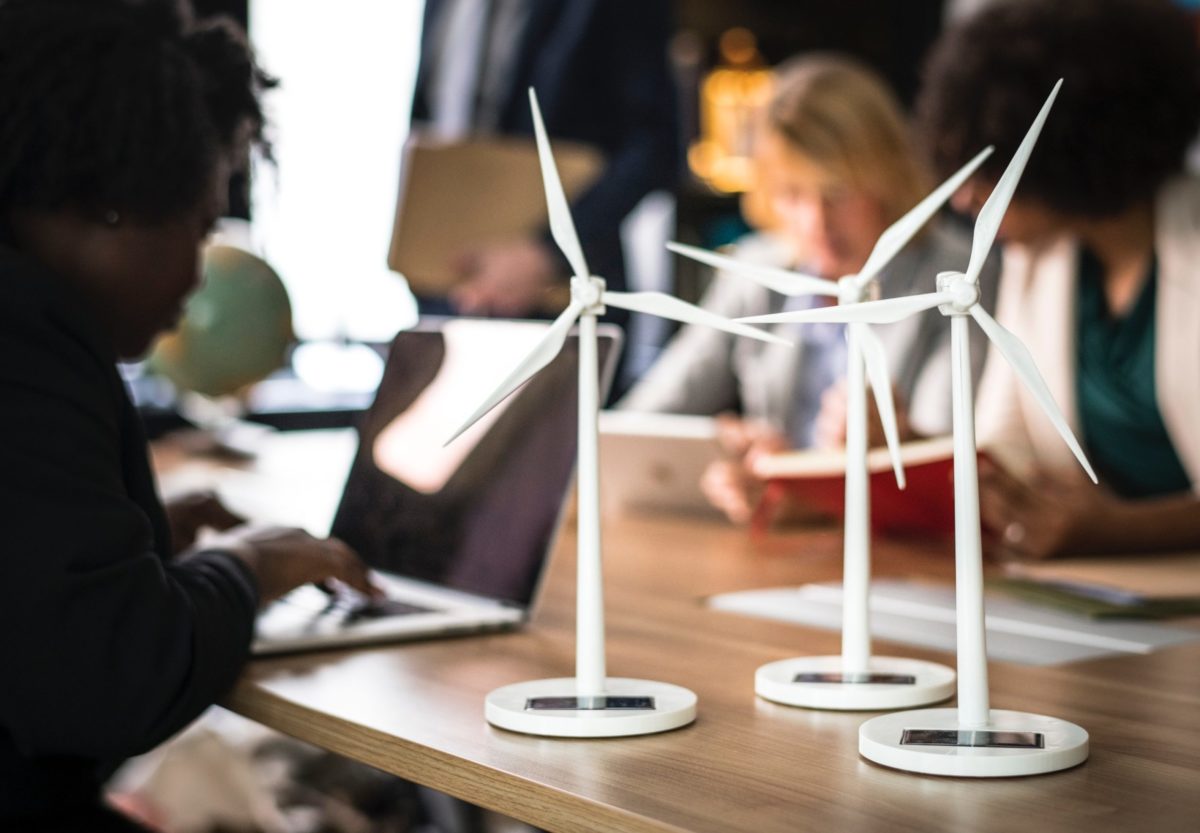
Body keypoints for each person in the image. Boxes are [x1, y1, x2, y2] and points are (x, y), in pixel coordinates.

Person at [0, 2, 376, 829]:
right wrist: (248, 565)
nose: (195, 279)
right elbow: (108, 678)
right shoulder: (26, 332)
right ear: (113, 204)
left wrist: (129, 547)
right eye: (199, 228)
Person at [621, 55, 999, 523]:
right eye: (793, 193)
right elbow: (638, 421)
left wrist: (898, 442)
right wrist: (720, 449)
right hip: (780, 550)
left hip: (905, 551)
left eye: (837, 189)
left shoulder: (958, 280)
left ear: (885, 176)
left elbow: (956, 466)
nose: (815, 222)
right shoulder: (754, 269)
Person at [917, 0, 1200, 560]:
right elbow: (1007, 449)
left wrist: (1121, 530)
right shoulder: (1037, 262)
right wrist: (903, 458)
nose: (965, 198)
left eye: (990, 170)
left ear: (1062, 144)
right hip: (1114, 595)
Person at [408, 0, 679, 320]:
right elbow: (429, 119)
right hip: (444, 290)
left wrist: (546, 252)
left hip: (563, 300)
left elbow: (655, 143)